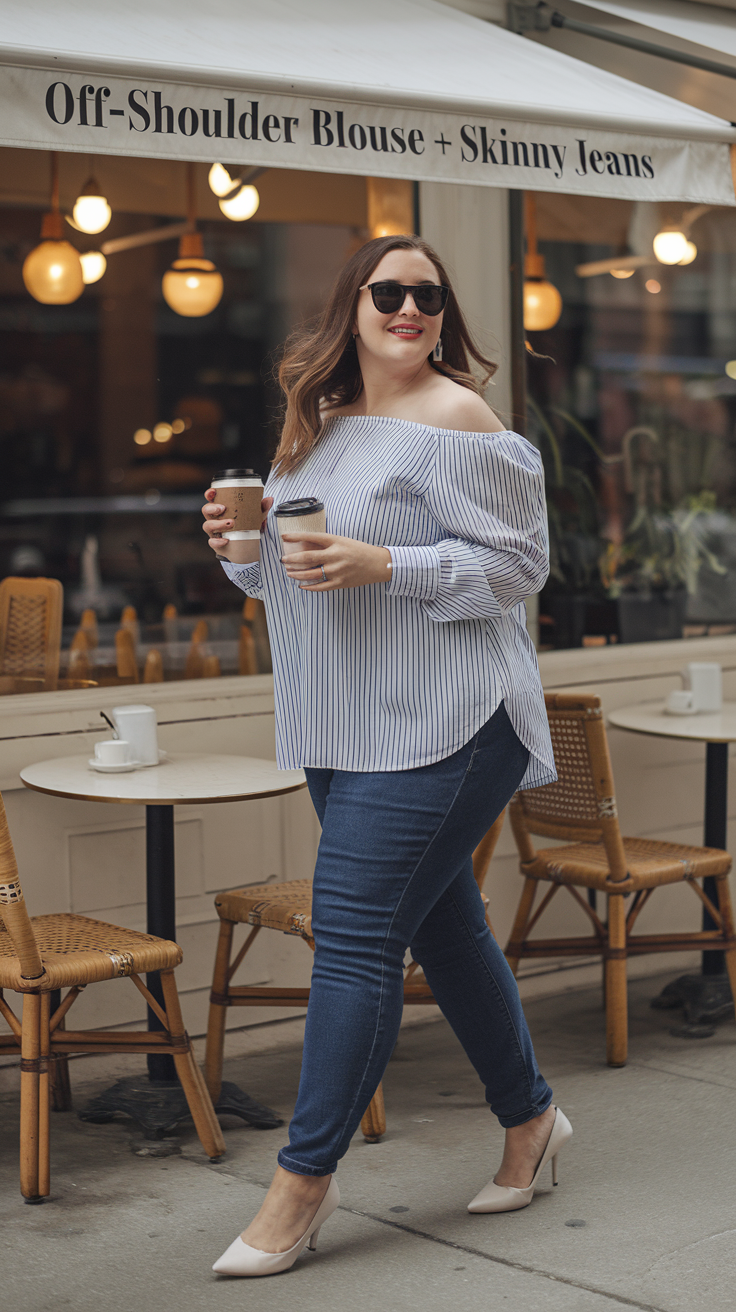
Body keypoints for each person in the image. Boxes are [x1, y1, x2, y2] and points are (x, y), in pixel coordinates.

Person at [202, 234, 571, 1278]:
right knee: (447, 930)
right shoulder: (317, 430)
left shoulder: (460, 418)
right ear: (350, 307)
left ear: (444, 315)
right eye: (389, 292)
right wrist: (242, 552)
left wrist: (387, 563)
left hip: (450, 719)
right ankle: (531, 1120)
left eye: (429, 296)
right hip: (343, 719)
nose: (410, 308)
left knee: (358, 934)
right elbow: (296, 582)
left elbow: (518, 568)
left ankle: (300, 1185)